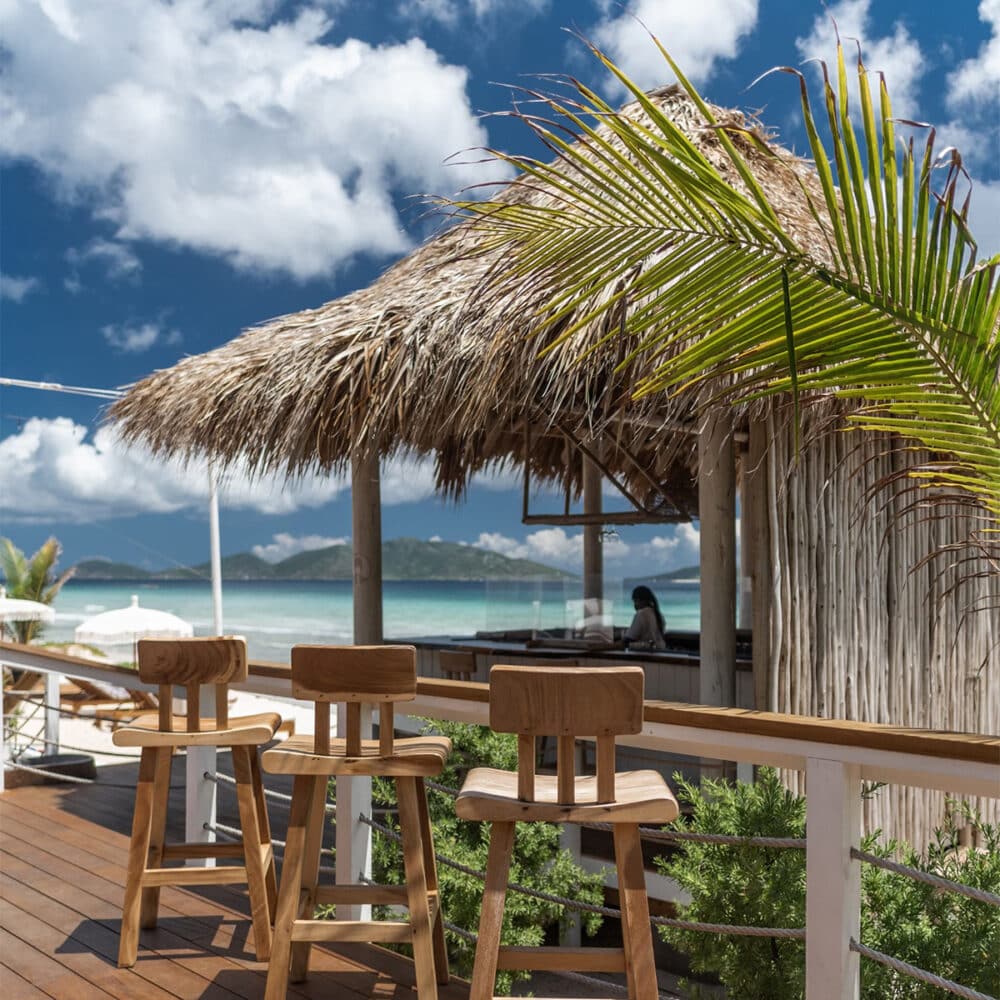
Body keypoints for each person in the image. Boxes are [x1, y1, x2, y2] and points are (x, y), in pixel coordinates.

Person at [624, 585, 667, 651]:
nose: (634, 605)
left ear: (640, 600)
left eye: (635, 601)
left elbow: (628, 640)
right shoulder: (659, 615)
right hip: (659, 651)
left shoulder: (641, 614)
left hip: (644, 654)